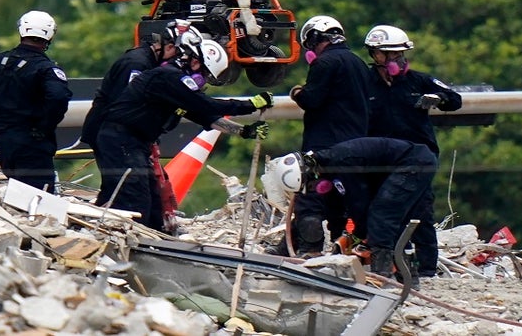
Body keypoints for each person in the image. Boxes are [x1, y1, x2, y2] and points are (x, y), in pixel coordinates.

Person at [91, 30, 273, 230]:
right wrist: (250, 104)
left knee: (154, 206)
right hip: (121, 140)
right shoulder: (169, 77)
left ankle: (150, 243)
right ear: (195, 62)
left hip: (135, 144)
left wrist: (245, 131)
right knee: (135, 201)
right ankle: (125, 245)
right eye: (205, 75)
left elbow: (204, 117)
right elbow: (206, 105)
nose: (203, 81)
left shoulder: (176, 88)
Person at [363, 24, 462, 277]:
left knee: (421, 213)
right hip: (381, 158)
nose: (389, 60)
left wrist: (439, 99)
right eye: (383, 54)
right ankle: (397, 264)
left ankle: (427, 269)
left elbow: (455, 99)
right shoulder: (364, 83)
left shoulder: (420, 81)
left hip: (418, 158)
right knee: (386, 212)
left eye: (394, 54)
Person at [263, 136, 438, 278]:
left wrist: (361, 236)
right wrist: (339, 237)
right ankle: (415, 271)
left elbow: (360, 205)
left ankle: (382, 274)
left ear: (310, 173)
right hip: (414, 161)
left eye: (309, 185)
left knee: (383, 214)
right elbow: (336, 207)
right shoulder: (329, 165)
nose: (312, 189)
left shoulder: (344, 163)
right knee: (406, 215)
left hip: (414, 163)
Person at [81, 19, 193, 229]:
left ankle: (104, 228)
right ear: (168, 47)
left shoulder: (146, 63)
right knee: (131, 194)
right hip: (114, 135)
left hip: (122, 136)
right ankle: (125, 235)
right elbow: (129, 106)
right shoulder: (137, 64)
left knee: (126, 189)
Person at [280, 14, 372, 255]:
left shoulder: (324, 63)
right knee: (339, 202)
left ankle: (310, 249)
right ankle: (341, 252)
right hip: (355, 144)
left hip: (323, 145)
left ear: (316, 38)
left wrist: (297, 92)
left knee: (309, 200)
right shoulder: (360, 64)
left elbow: (312, 99)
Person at [0, 10, 74, 193]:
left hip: (1, 140)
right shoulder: (46, 69)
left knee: (14, 193)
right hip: (31, 143)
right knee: (38, 199)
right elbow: (58, 97)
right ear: (50, 35)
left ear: (22, 30)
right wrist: (43, 127)